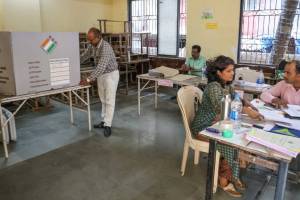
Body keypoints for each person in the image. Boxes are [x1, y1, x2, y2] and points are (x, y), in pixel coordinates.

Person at [191, 55, 262, 197]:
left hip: (217, 123)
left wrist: (250, 105)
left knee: (239, 136)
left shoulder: (227, 85)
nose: (233, 73)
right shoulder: (213, 87)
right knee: (229, 142)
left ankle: (233, 174)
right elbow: (222, 106)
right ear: (219, 72)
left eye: (233, 70)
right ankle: (224, 180)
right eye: (229, 71)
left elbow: (238, 98)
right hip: (204, 127)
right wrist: (246, 111)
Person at [80, 27, 119, 137]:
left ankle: (108, 125)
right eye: (88, 40)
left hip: (111, 74)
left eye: (91, 40)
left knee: (109, 100)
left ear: (99, 37)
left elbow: (101, 66)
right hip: (101, 75)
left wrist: (88, 79)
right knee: (103, 99)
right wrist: (75, 61)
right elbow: (85, 56)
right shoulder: (93, 45)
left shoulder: (105, 47)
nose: (89, 42)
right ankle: (104, 121)